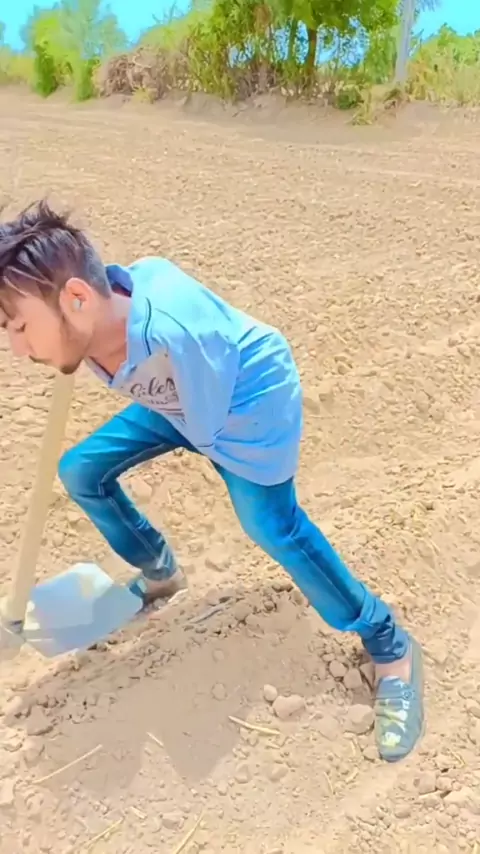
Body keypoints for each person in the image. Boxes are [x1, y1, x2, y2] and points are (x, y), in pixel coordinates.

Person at [0, 201, 424, 762]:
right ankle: (161, 573)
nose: (17, 349)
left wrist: (211, 446)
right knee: (81, 470)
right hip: (184, 397)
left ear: (77, 298)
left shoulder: (177, 334)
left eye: (20, 327)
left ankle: (390, 646)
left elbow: (203, 419)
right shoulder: (103, 307)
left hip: (249, 404)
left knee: (272, 526)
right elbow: (149, 279)